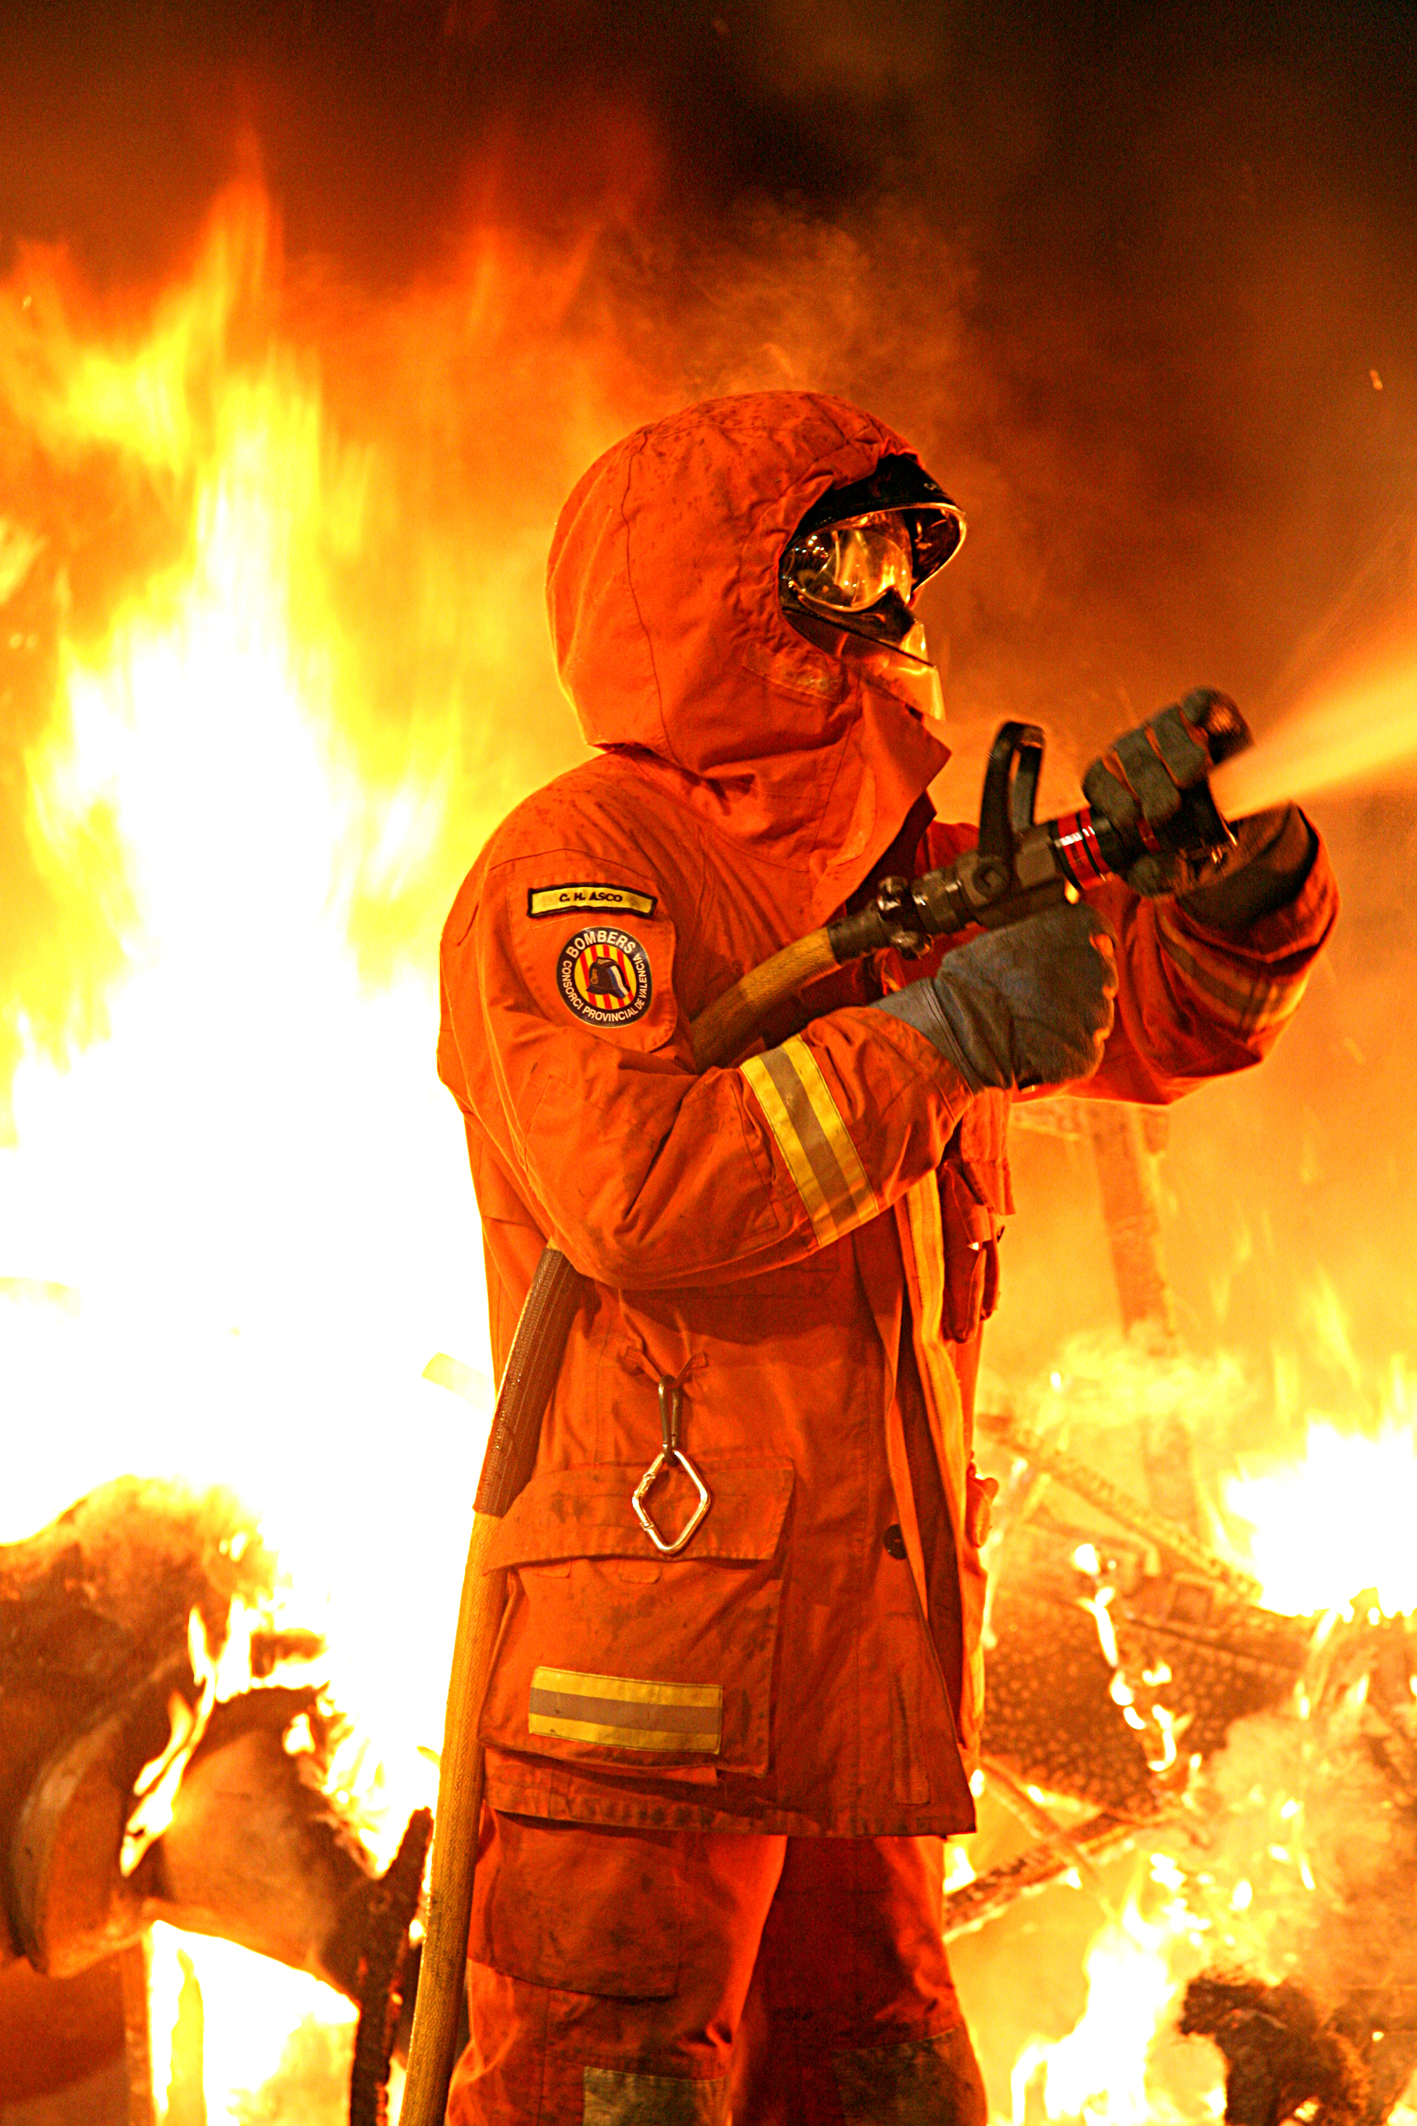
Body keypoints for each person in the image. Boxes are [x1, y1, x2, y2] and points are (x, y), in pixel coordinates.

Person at [436, 392, 1337, 2126]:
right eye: (839, 558)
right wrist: (931, 1045)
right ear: (716, 600)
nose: (893, 603)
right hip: (649, 1705)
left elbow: (1141, 1026)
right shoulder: (581, 872)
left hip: (859, 1669)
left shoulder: (909, 881)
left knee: (884, 2091)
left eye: (898, 557)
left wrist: (1222, 895)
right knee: (608, 2096)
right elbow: (639, 1189)